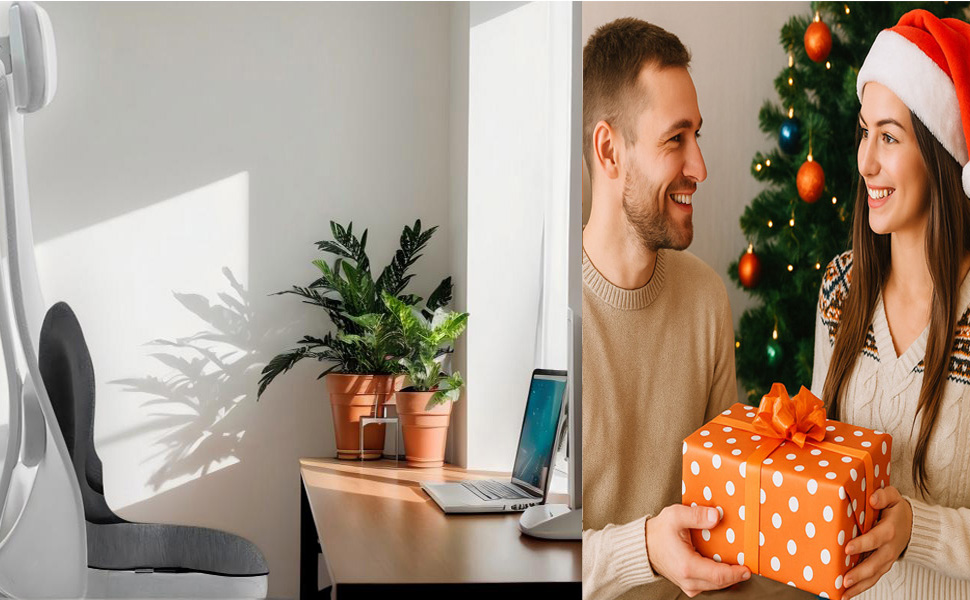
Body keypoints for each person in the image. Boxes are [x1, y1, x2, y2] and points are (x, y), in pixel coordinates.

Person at [582, 18, 812, 600]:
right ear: (609, 151)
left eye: (697, 135)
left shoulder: (706, 298)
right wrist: (644, 548)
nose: (700, 167)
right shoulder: (550, 316)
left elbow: (723, 518)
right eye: (675, 139)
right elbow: (517, 549)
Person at [811, 10, 970, 600]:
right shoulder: (840, 288)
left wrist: (915, 530)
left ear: (938, 151)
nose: (865, 162)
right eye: (864, 131)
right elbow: (819, 465)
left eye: (890, 136)